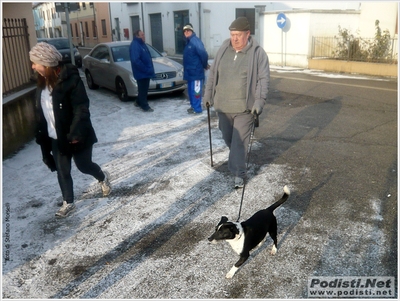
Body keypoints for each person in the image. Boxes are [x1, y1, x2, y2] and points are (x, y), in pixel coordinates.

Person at [30, 42, 111, 218]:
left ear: (47, 64)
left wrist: (75, 133)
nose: (33, 66)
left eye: (36, 62)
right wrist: (41, 134)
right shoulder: (41, 84)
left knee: (84, 166)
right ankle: (68, 202)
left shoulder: (71, 80)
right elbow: (40, 113)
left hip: (76, 136)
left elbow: (81, 108)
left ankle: (102, 177)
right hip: (55, 137)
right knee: (62, 170)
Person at [203, 17, 270, 188]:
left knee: (239, 143)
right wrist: (208, 95)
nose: (235, 38)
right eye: (233, 34)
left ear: (248, 34)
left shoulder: (257, 53)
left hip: (244, 109)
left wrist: (259, 102)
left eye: (238, 35)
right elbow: (213, 76)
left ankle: (239, 173)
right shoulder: (224, 49)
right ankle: (237, 160)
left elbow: (263, 80)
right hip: (223, 107)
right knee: (229, 139)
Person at [182, 23, 209, 114]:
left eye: (188, 30)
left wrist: (204, 65)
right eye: (184, 31)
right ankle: (193, 106)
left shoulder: (195, 41)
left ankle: (197, 109)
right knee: (190, 91)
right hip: (190, 72)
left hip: (196, 72)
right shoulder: (188, 42)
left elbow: (203, 54)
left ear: (192, 31)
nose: (186, 32)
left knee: (196, 92)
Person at [129, 30, 156, 112]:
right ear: (137, 36)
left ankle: (138, 101)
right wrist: (146, 69)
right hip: (141, 73)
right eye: (142, 35)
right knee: (143, 90)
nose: (144, 36)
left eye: (144, 34)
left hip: (145, 72)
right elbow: (135, 60)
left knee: (143, 89)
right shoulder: (135, 45)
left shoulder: (142, 44)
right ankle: (145, 106)